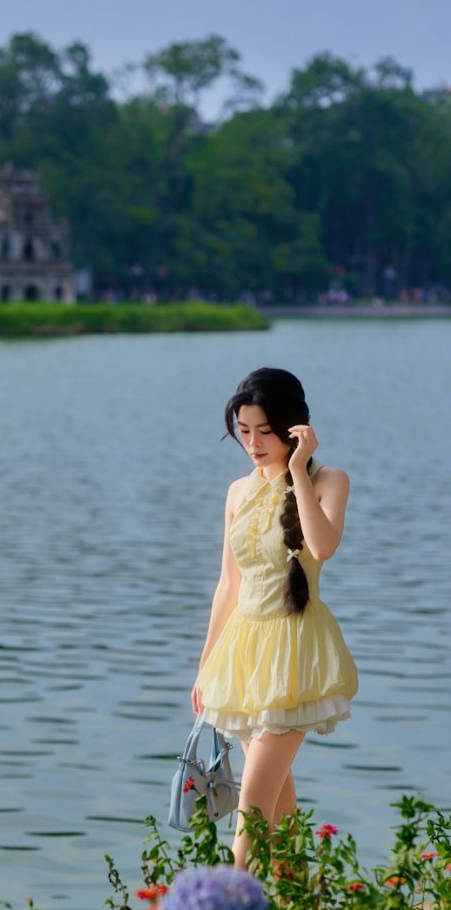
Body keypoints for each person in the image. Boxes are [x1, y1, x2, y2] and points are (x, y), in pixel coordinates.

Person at [191, 367, 358, 871]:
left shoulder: (329, 480)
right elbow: (228, 584)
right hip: (243, 655)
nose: (253, 443)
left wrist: (300, 467)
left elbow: (323, 546)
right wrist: (205, 664)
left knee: (252, 810)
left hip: (295, 654)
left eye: (264, 431)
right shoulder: (237, 492)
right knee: (281, 819)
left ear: (291, 426)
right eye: (244, 431)